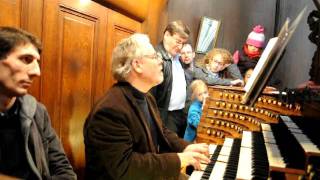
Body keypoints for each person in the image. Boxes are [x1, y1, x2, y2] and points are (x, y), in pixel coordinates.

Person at [83, 34, 210, 180]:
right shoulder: (110, 110)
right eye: (155, 56)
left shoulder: (147, 96)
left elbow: (161, 130)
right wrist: (179, 159)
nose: (161, 60)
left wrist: (185, 147)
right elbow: (125, 167)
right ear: (137, 65)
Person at [0, 27, 76, 179]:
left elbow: (65, 172)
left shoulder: (37, 112)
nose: (37, 72)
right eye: (26, 59)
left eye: (37, 62)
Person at [152, 20, 190, 138]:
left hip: (180, 114)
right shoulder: (156, 57)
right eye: (178, 42)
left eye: (183, 43)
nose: (180, 47)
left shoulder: (177, 57)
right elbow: (150, 95)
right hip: (166, 117)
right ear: (167, 35)